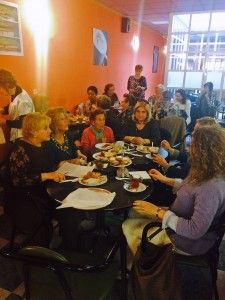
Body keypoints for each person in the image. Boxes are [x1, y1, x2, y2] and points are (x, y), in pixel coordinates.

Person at [123, 126, 225, 256]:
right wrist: (164, 179)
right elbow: (188, 187)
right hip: (176, 217)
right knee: (132, 212)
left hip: (186, 241)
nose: (188, 150)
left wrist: (158, 212)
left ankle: (142, 268)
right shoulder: (207, 171)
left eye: (192, 146)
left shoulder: (211, 187)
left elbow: (194, 230)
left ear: (204, 152)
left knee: (127, 225)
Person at [6, 113, 65, 246]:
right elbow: (18, 180)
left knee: (70, 206)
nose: (50, 130)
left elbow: (41, 167)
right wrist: (45, 176)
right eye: (46, 128)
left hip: (42, 193)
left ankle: (68, 244)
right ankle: (43, 253)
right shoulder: (20, 149)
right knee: (67, 211)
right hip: (24, 201)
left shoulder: (41, 145)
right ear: (33, 131)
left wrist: (58, 166)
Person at [0, 69, 35, 141]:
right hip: (16, 135)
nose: (0, 92)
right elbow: (13, 106)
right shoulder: (15, 92)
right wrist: (2, 110)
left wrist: (4, 122)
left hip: (23, 137)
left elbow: (23, 123)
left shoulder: (23, 100)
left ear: (6, 84)